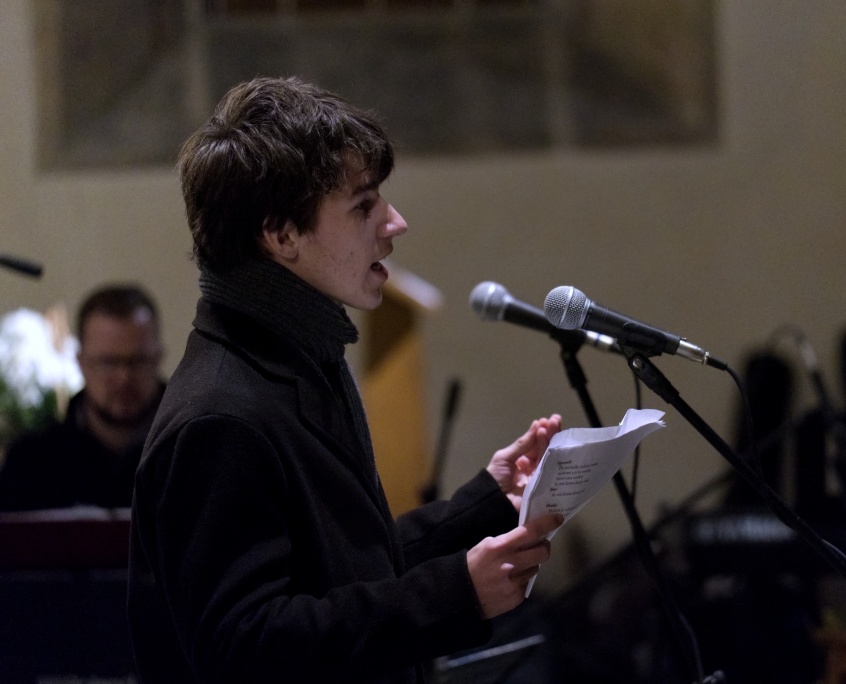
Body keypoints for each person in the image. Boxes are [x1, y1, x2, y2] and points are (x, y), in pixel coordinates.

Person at [127, 75, 564, 683]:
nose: (394, 222)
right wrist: (454, 594)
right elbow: (243, 646)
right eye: (363, 205)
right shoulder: (221, 416)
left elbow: (343, 567)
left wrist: (484, 503)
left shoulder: (296, 358)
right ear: (282, 235)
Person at [0, 284, 164, 511]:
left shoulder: (194, 454)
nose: (123, 378)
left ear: (158, 358)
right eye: (108, 362)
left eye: (137, 361)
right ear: (81, 362)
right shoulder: (30, 463)